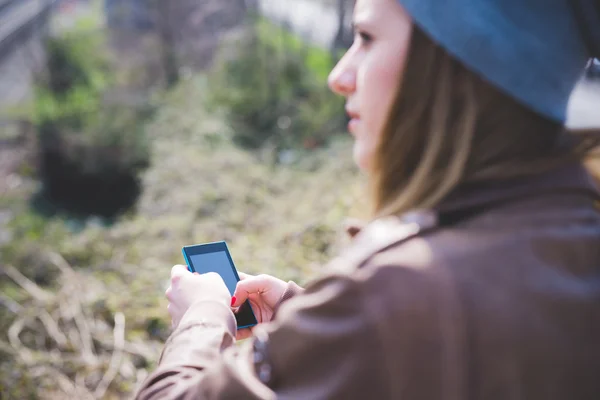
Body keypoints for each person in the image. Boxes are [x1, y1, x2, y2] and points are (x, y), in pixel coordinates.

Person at [135, 0, 600, 398]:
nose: (339, 75)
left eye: (367, 38)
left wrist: (202, 316)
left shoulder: (400, 288)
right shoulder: (574, 233)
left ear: (455, 65)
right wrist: (308, 321)